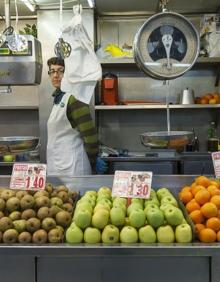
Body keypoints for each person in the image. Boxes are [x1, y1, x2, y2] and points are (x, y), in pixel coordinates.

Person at [46, 57, 107, 176]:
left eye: (60, 71)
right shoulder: (59, 99)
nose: (55, 75)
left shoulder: (74, 98)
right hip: (58, 166)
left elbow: (89, 135)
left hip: (74, 168)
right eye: (52, 71)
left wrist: (94, 160)